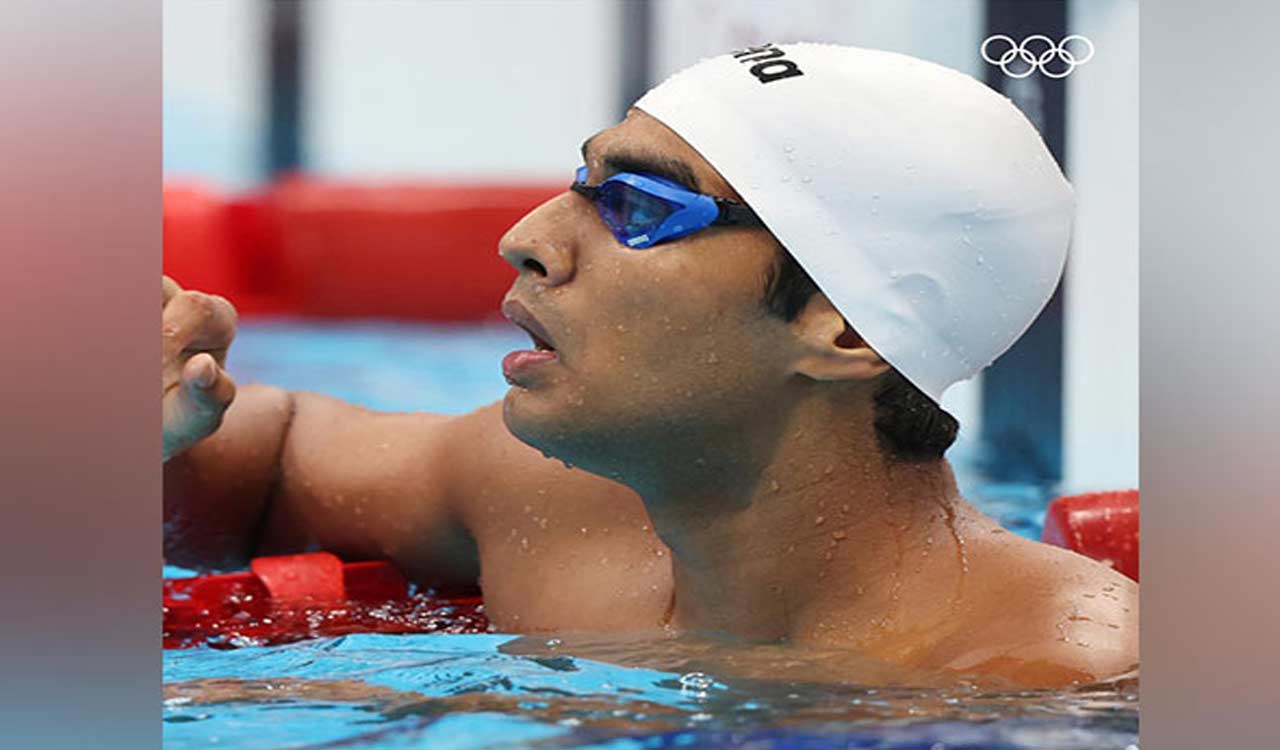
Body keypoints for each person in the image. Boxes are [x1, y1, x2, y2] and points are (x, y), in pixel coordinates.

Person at [163, 43, 1137, 688]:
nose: (526, 240)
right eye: (578, 181)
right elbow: (265, 467)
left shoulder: (1037, 680)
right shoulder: (550, 506)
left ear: (843, 331)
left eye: (634, 206)